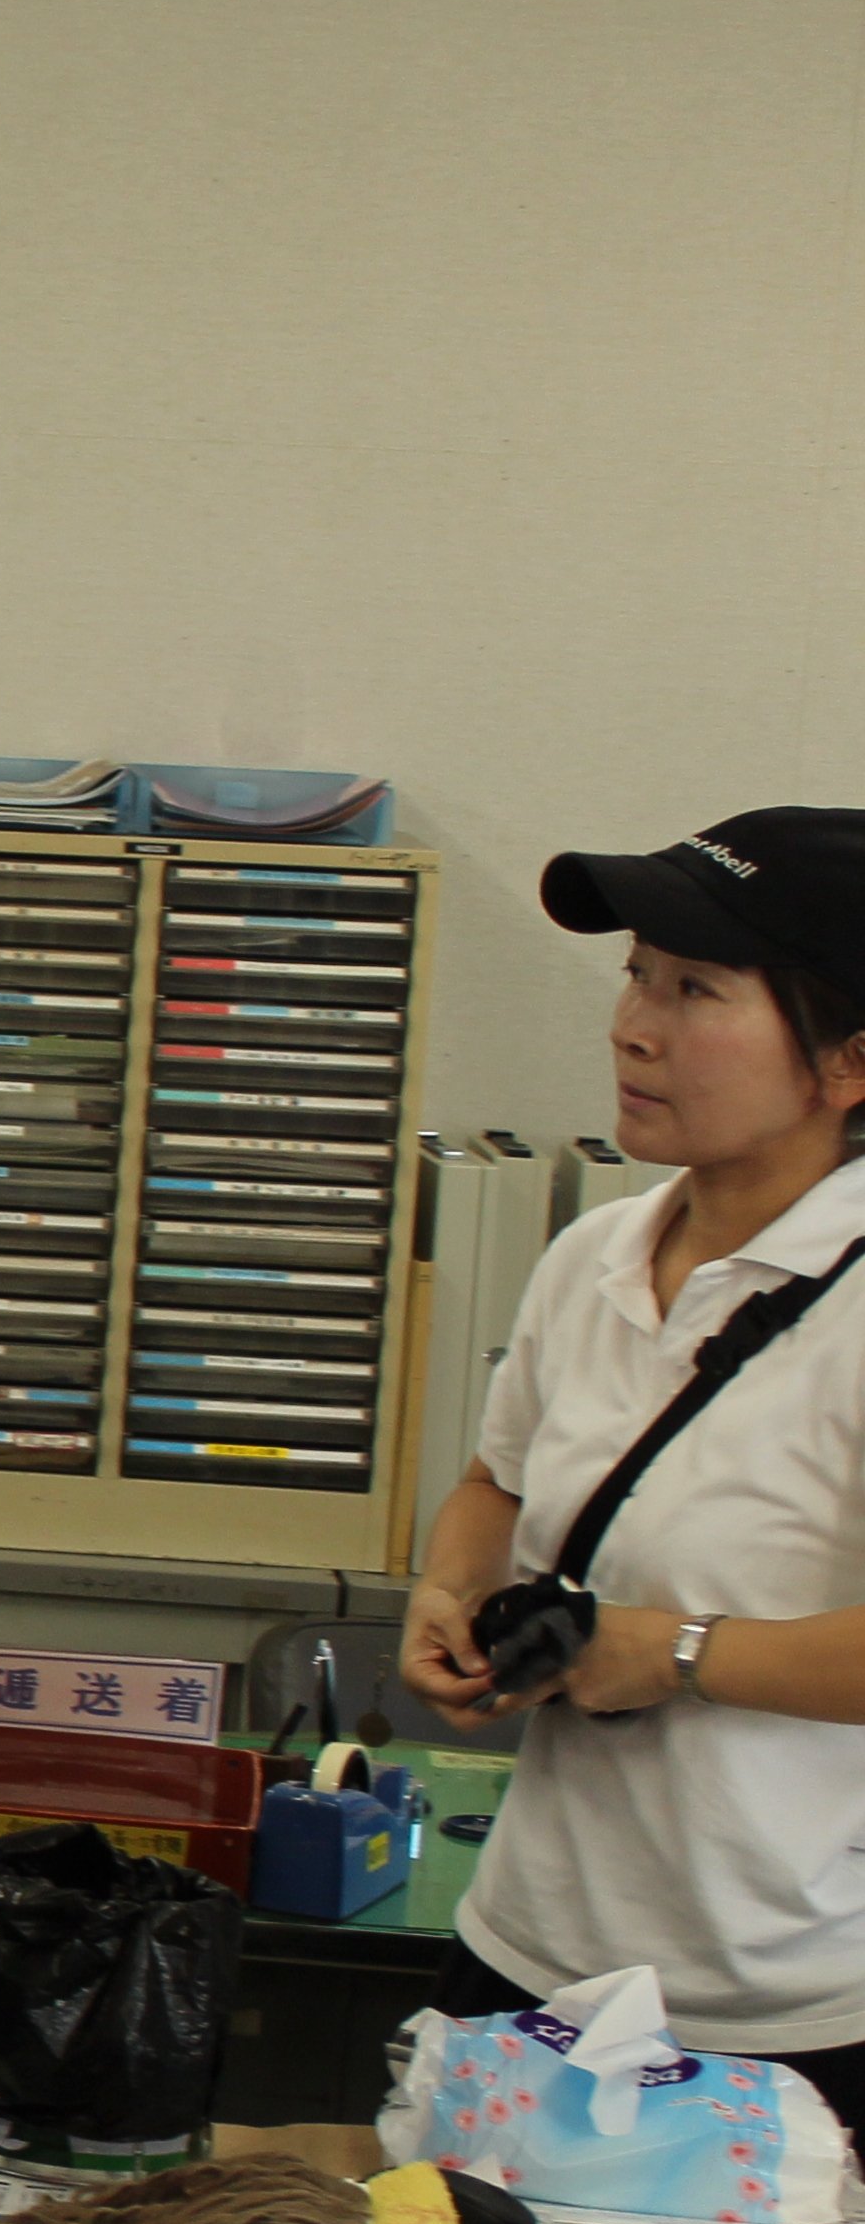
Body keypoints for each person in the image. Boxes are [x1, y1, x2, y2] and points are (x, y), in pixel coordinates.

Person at [401, 810, 865, 2109]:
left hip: (780, 2013)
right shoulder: (592, 1258)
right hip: (526, 1957)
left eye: (697, 990)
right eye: (637, 975)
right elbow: (498, 1482)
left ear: (850, 1062)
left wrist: (671, 1652)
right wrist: (450, 1590)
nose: (634, 1028)